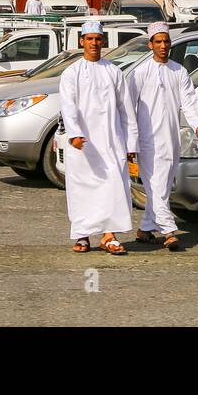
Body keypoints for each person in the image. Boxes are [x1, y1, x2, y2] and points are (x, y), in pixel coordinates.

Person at [59, 20, 137, 255]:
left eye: (98, 39)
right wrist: (74, 134)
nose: (94, 43)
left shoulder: (113, 71)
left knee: (113, 187)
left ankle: (109, 236)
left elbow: (126, 110)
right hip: (82, 144)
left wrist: (130, 143)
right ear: (82, 41)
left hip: (111, 141)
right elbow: (68, 106)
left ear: (103, 41)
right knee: (82, 189)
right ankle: (83, 236)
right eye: (89, 38)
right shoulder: (72, 73)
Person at [129, 23, 198, 251]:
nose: (163, 46)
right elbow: (128, 108)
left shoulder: (179, 71)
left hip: (171, 139)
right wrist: (130, 141)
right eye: (159, 42)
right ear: (150, 45)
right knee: (156, 186)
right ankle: (169, 231)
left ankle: (145, 229)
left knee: (161, 186)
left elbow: (189, 102)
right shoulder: (139, 73)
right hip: (147, 139)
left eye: (166, 42)